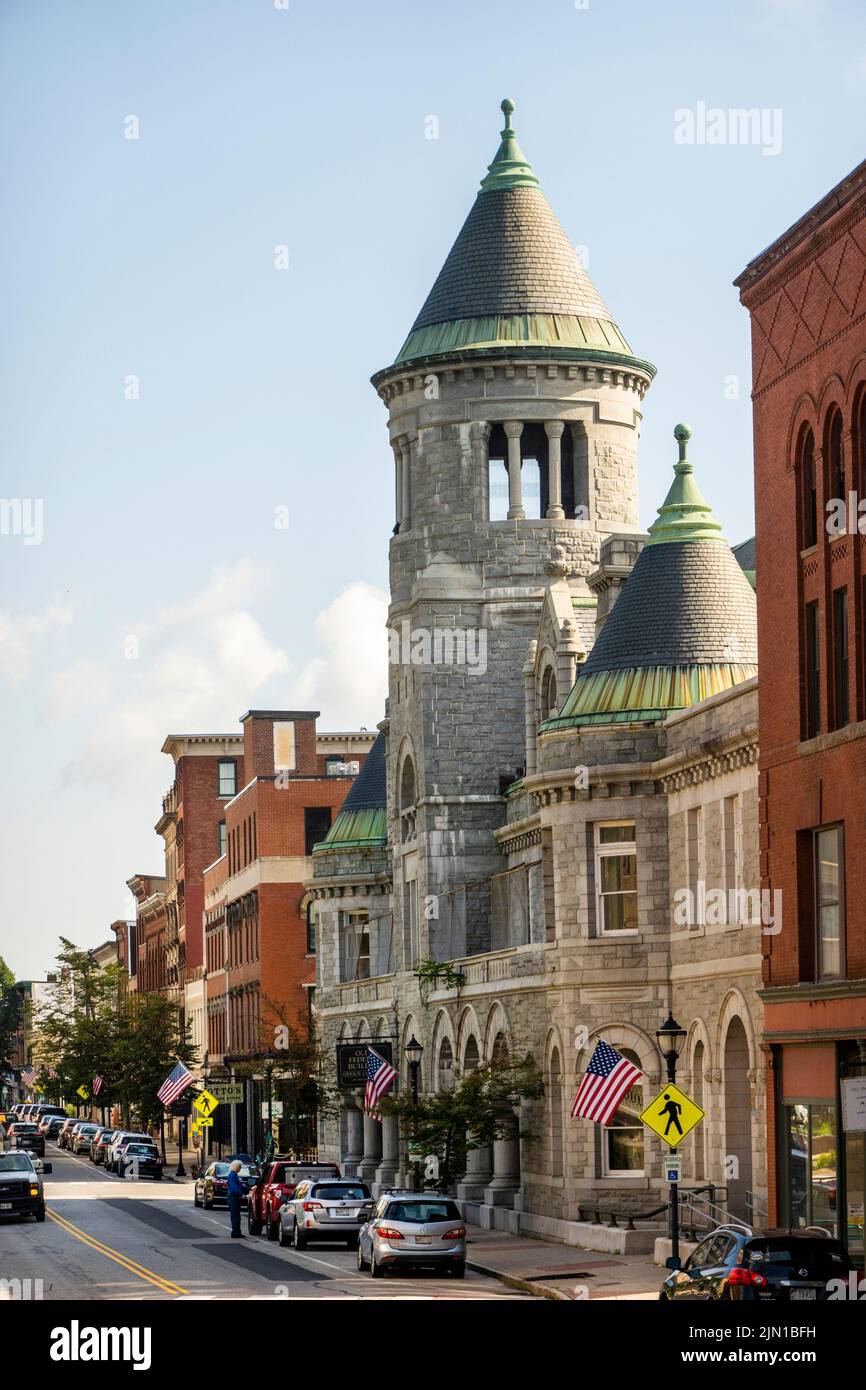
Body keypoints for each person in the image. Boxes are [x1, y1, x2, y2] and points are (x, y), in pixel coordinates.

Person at [226, 1159, 246, 1238]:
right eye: (239, 1167)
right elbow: (234, 1188)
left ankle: (237, 1231)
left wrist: (250, 1189)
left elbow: (240, 1187)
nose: (240, 1169)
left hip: (235, 1197)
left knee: (237, 1215)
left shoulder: (235, 1175)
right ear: (236, 1167)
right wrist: (241, 1195)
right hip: (233, 1198)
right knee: (235, 1216)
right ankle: (235, 1232)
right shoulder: (232, 1175)